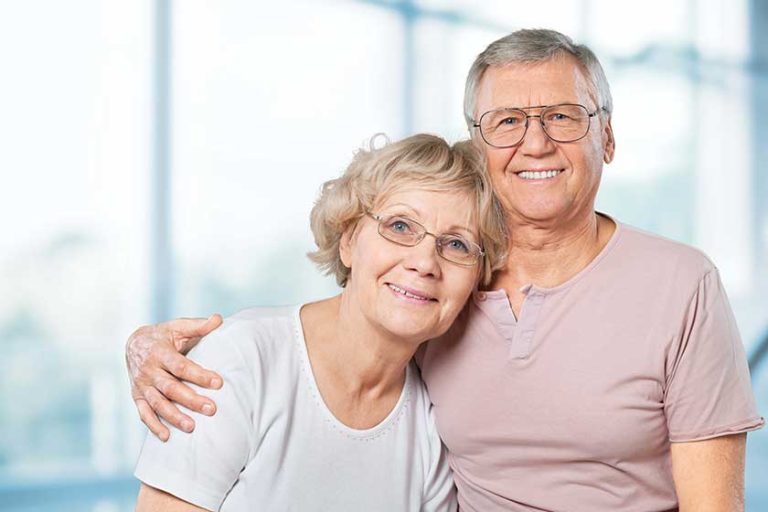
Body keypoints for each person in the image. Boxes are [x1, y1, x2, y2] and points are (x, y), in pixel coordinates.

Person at [127, 29, 764, 511]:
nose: (535, 142)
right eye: (507, 122)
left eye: (563, 117)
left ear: (608, 137)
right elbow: (331, 333)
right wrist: (154, 347)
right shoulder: (444, 289)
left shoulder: (682, 285)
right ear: (479, 146)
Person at [132, 134, 507, 511]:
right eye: (400, 227)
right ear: (348, 241)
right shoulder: (241, 359)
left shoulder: (431, 427)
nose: (425, 263)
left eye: (457, 244)